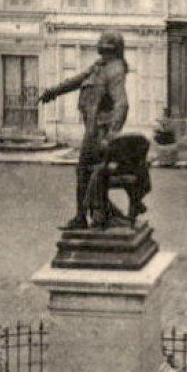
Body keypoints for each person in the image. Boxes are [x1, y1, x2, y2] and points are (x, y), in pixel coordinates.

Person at [39, 30, 131, 229]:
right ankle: (84, 217)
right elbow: (76, 80)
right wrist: (52, 92)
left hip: (102, 130)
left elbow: (122, 104)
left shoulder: (115, 69)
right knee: (83, 172)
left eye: (104, 46)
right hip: (92, 128)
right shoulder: (99, 67)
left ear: (112, 49)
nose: (101, 50)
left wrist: (112, 134)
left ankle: (96, 216)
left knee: (90, 172)